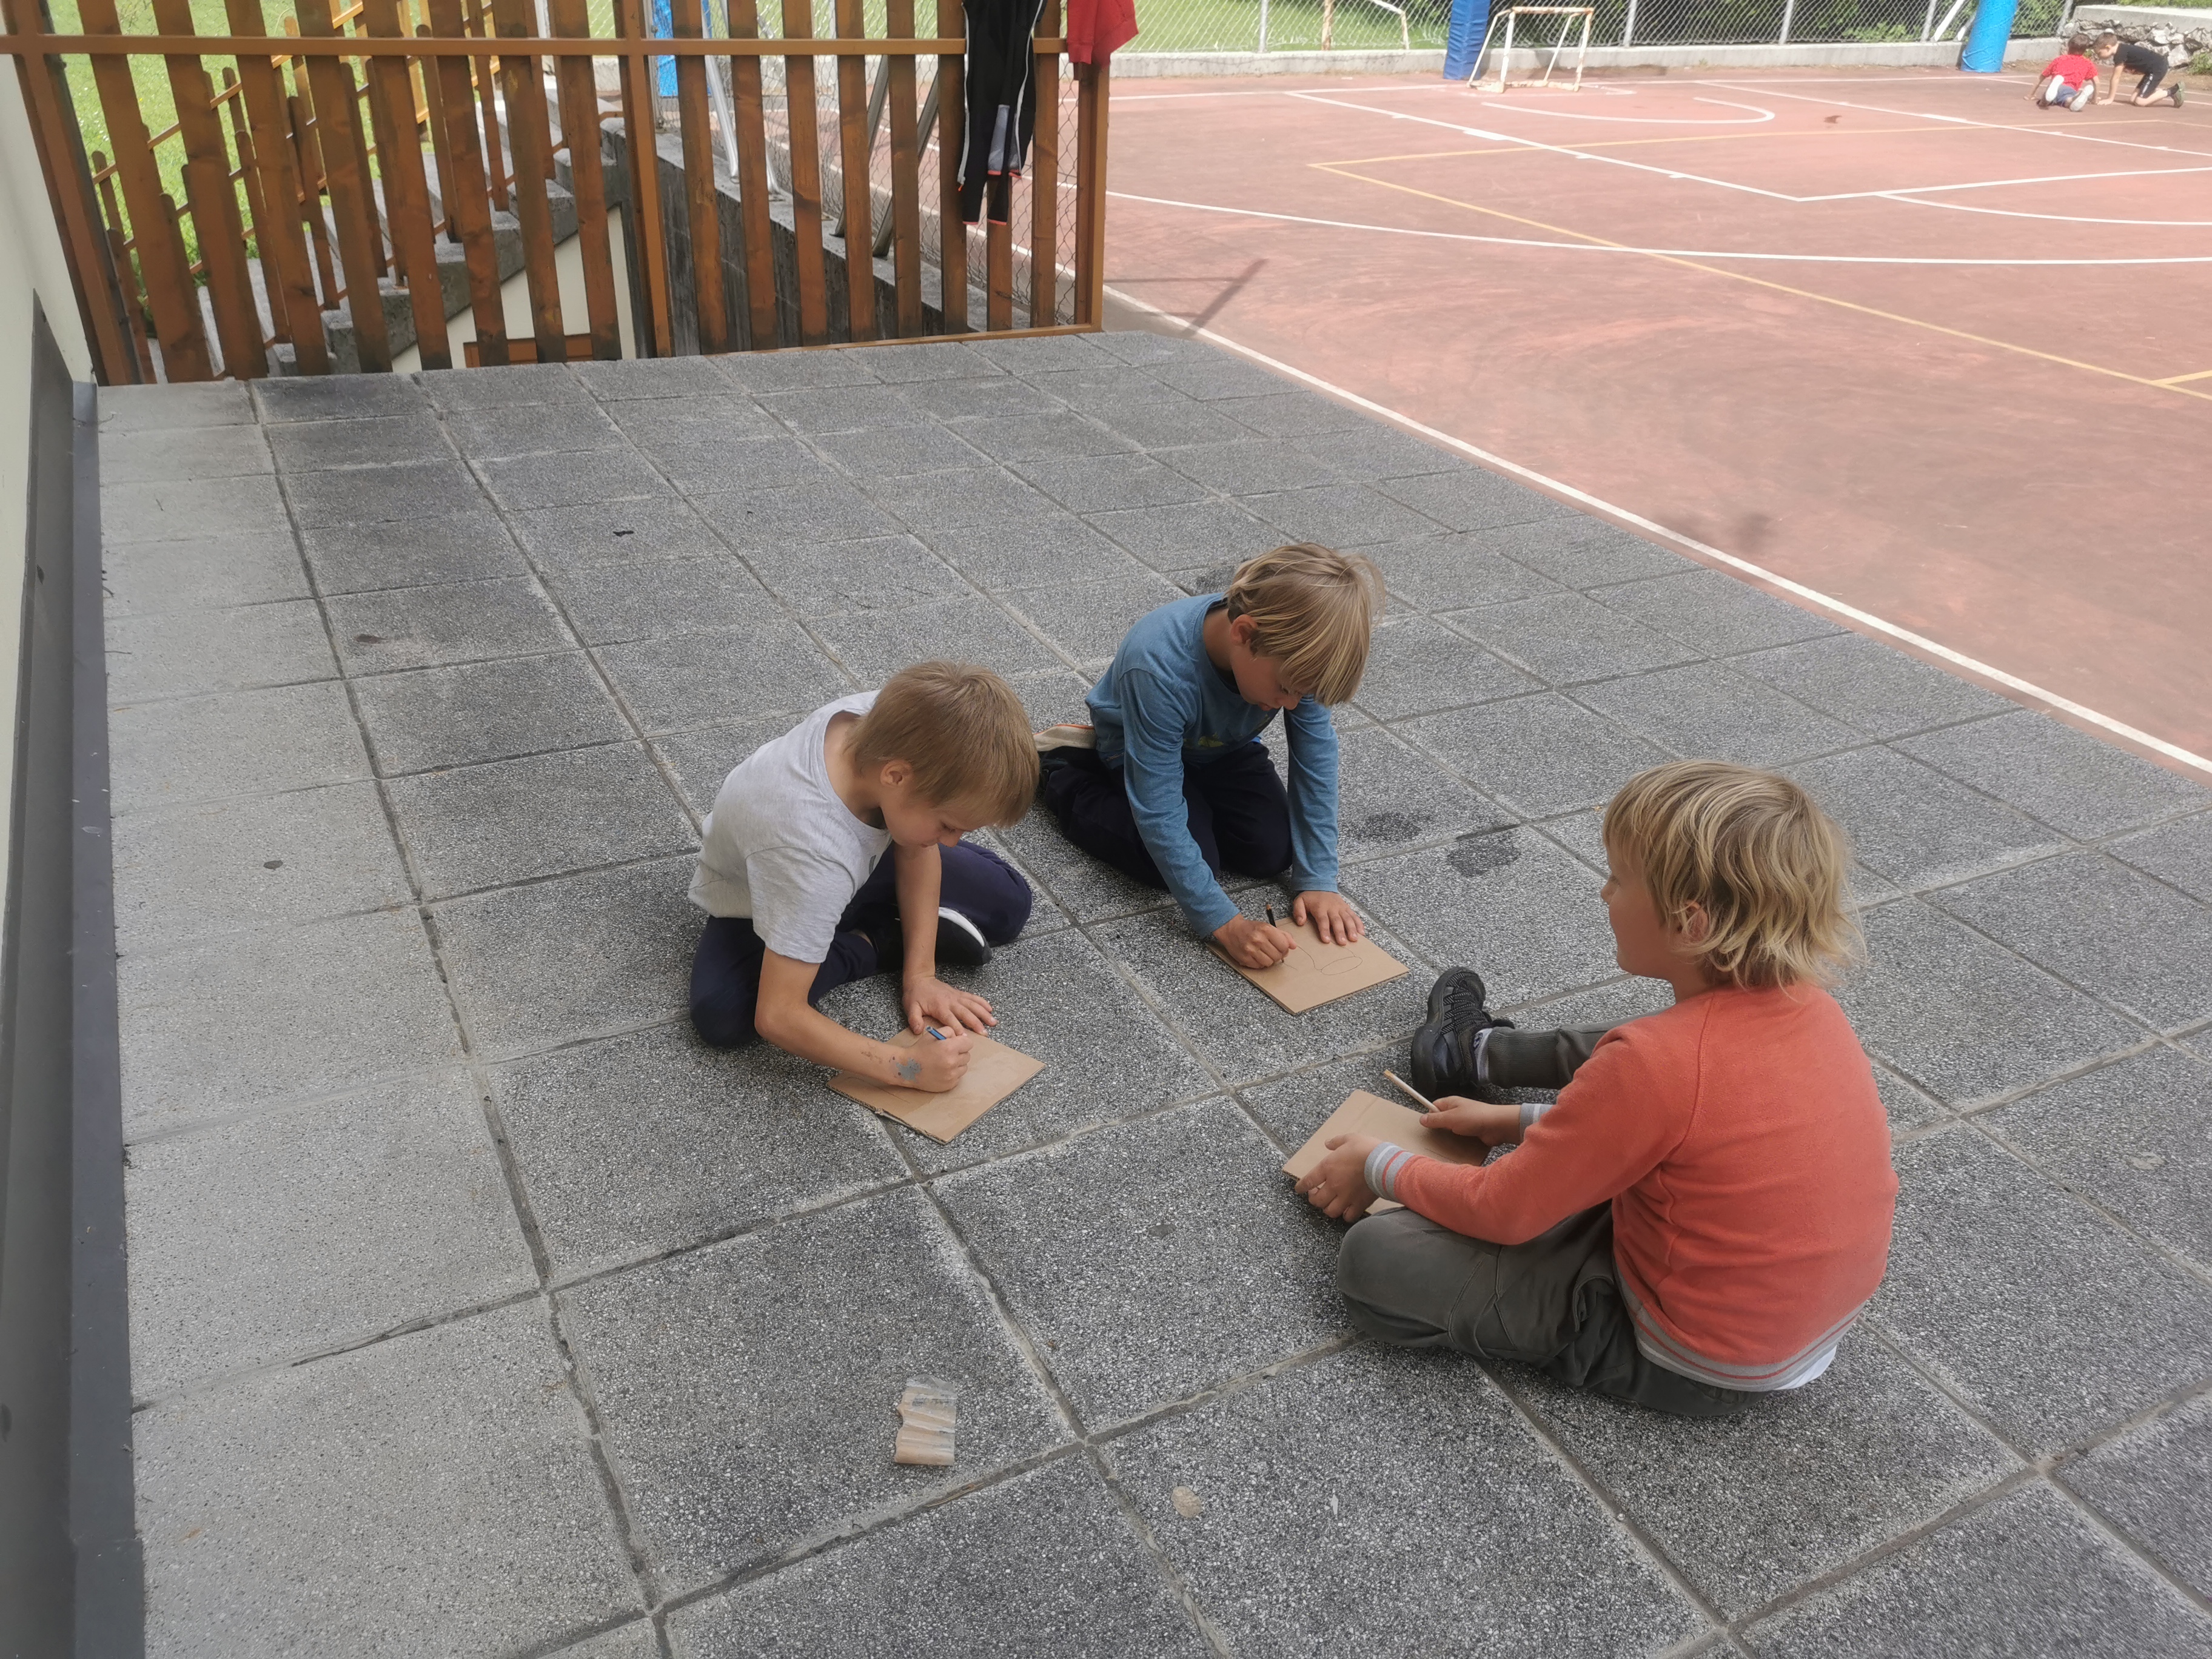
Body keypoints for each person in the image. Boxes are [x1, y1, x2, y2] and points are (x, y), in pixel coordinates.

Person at [1295, 760, 1899, 1416]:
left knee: (1376, 1261)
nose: (1604, 892)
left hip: (1694, 1358)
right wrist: (1512, 1123)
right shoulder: (1813, 1009)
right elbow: (1695, 1130)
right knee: (1620, 1097)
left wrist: (1376, 1164)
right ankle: (1484, 1063)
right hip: (1792, 1332)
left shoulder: (1655, 1062)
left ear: (1692, 923)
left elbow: (1504, 1210)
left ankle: (1585, 1334)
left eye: (1618, 878)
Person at [688, 661, 1037, 1093]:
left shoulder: (893, 723)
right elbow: (778, 1015)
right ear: (896, 777)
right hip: (773, 893)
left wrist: (921, 976)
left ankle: (890, 922)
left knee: (1009, 904)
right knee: (724, 1012)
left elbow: (917, 847)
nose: (952, 843)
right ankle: (878, 940)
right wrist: (907, 1067)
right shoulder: (811, 854)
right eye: (949, 825)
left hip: (842, 866)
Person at [1036, 543, 1384, 968]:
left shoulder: (1298, 657)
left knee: (1272, 852)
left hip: (1223, 748)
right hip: (1136, 748)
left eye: (1303, 694)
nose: (1292, 705)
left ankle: (1200, 812)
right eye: (1286, 690)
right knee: (1165, 862)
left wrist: (1319, 879)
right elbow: (1158, 807)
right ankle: (1062, 772)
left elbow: (1315, 762)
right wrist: (1224, 924)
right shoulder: (1158, 665)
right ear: (1244, 634)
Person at [2096, 31, 2186, 107]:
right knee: (2133, 100)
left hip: (2157, 68)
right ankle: (2152, 92)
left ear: (2108, 47)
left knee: (2140, 102)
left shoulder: (2120, 54)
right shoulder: (2121, 50)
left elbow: (2116, 78)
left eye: (2099, 53)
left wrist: (2110, 99)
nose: (2099, 56)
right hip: (2152, 70)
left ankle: (2173, 91)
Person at [2035, 35, 2101, 109]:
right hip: (2070, 89)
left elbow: (2042, 76)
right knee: (2069, 100)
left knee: (2044, 102)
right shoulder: (2088, 63)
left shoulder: (2059, 59)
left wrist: (2031, 94)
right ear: (2085, 50)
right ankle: (2078, 96)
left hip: (2059, 84)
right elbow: (2097, 82)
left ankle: (2050, 93)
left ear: (2069, 47)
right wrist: (2094, 99)